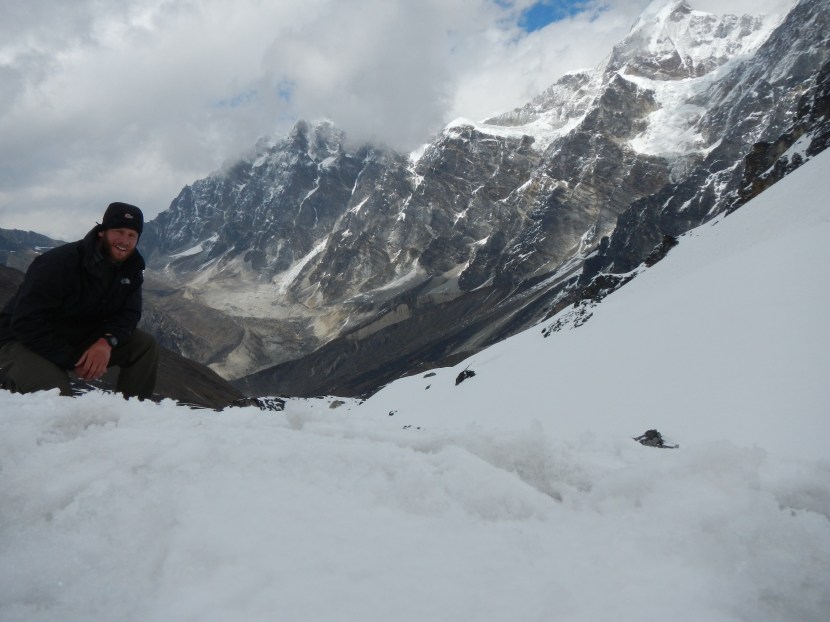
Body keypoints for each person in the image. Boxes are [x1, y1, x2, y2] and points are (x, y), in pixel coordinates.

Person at [0, 202, 159, 399]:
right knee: (56, 397)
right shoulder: (59, 263)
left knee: (144, 345)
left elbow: (129, 313)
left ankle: (133, 410)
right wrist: (73, 360)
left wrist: (106, 342)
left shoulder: (131, 268)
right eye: (119, 231)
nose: (124, 241)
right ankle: (9, 387)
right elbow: (25, 322)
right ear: (103, 232)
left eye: (131, 235)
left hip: (75, 336)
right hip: (22, 339)